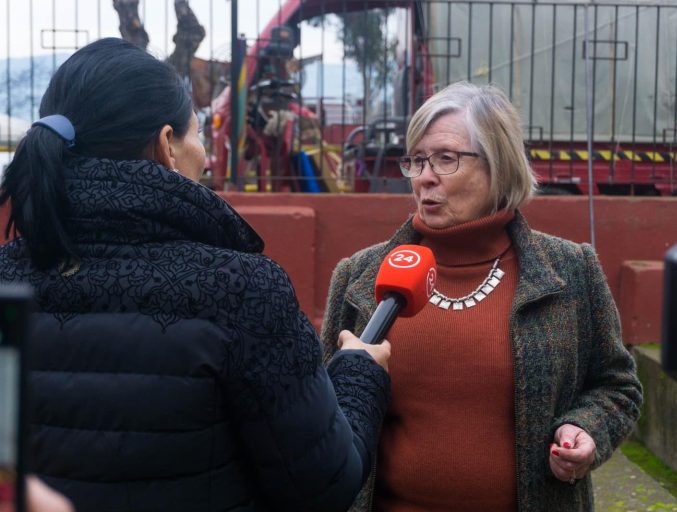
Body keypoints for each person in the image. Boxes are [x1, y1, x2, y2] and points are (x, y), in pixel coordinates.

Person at [0, 37, 391, 512]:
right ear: (168, 145)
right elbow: (324, 485)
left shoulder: (8, 276)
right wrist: (359, 373)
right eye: (198, 132)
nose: (204, 152)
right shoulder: (242, 289)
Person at [321, 81, 643, 511]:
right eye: (416, 161)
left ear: (499, 164)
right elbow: (319, 409)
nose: (424, 176)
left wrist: (586, 430)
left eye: (446, 158)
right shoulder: (359, 277)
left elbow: (616, 386)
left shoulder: (571, 271)